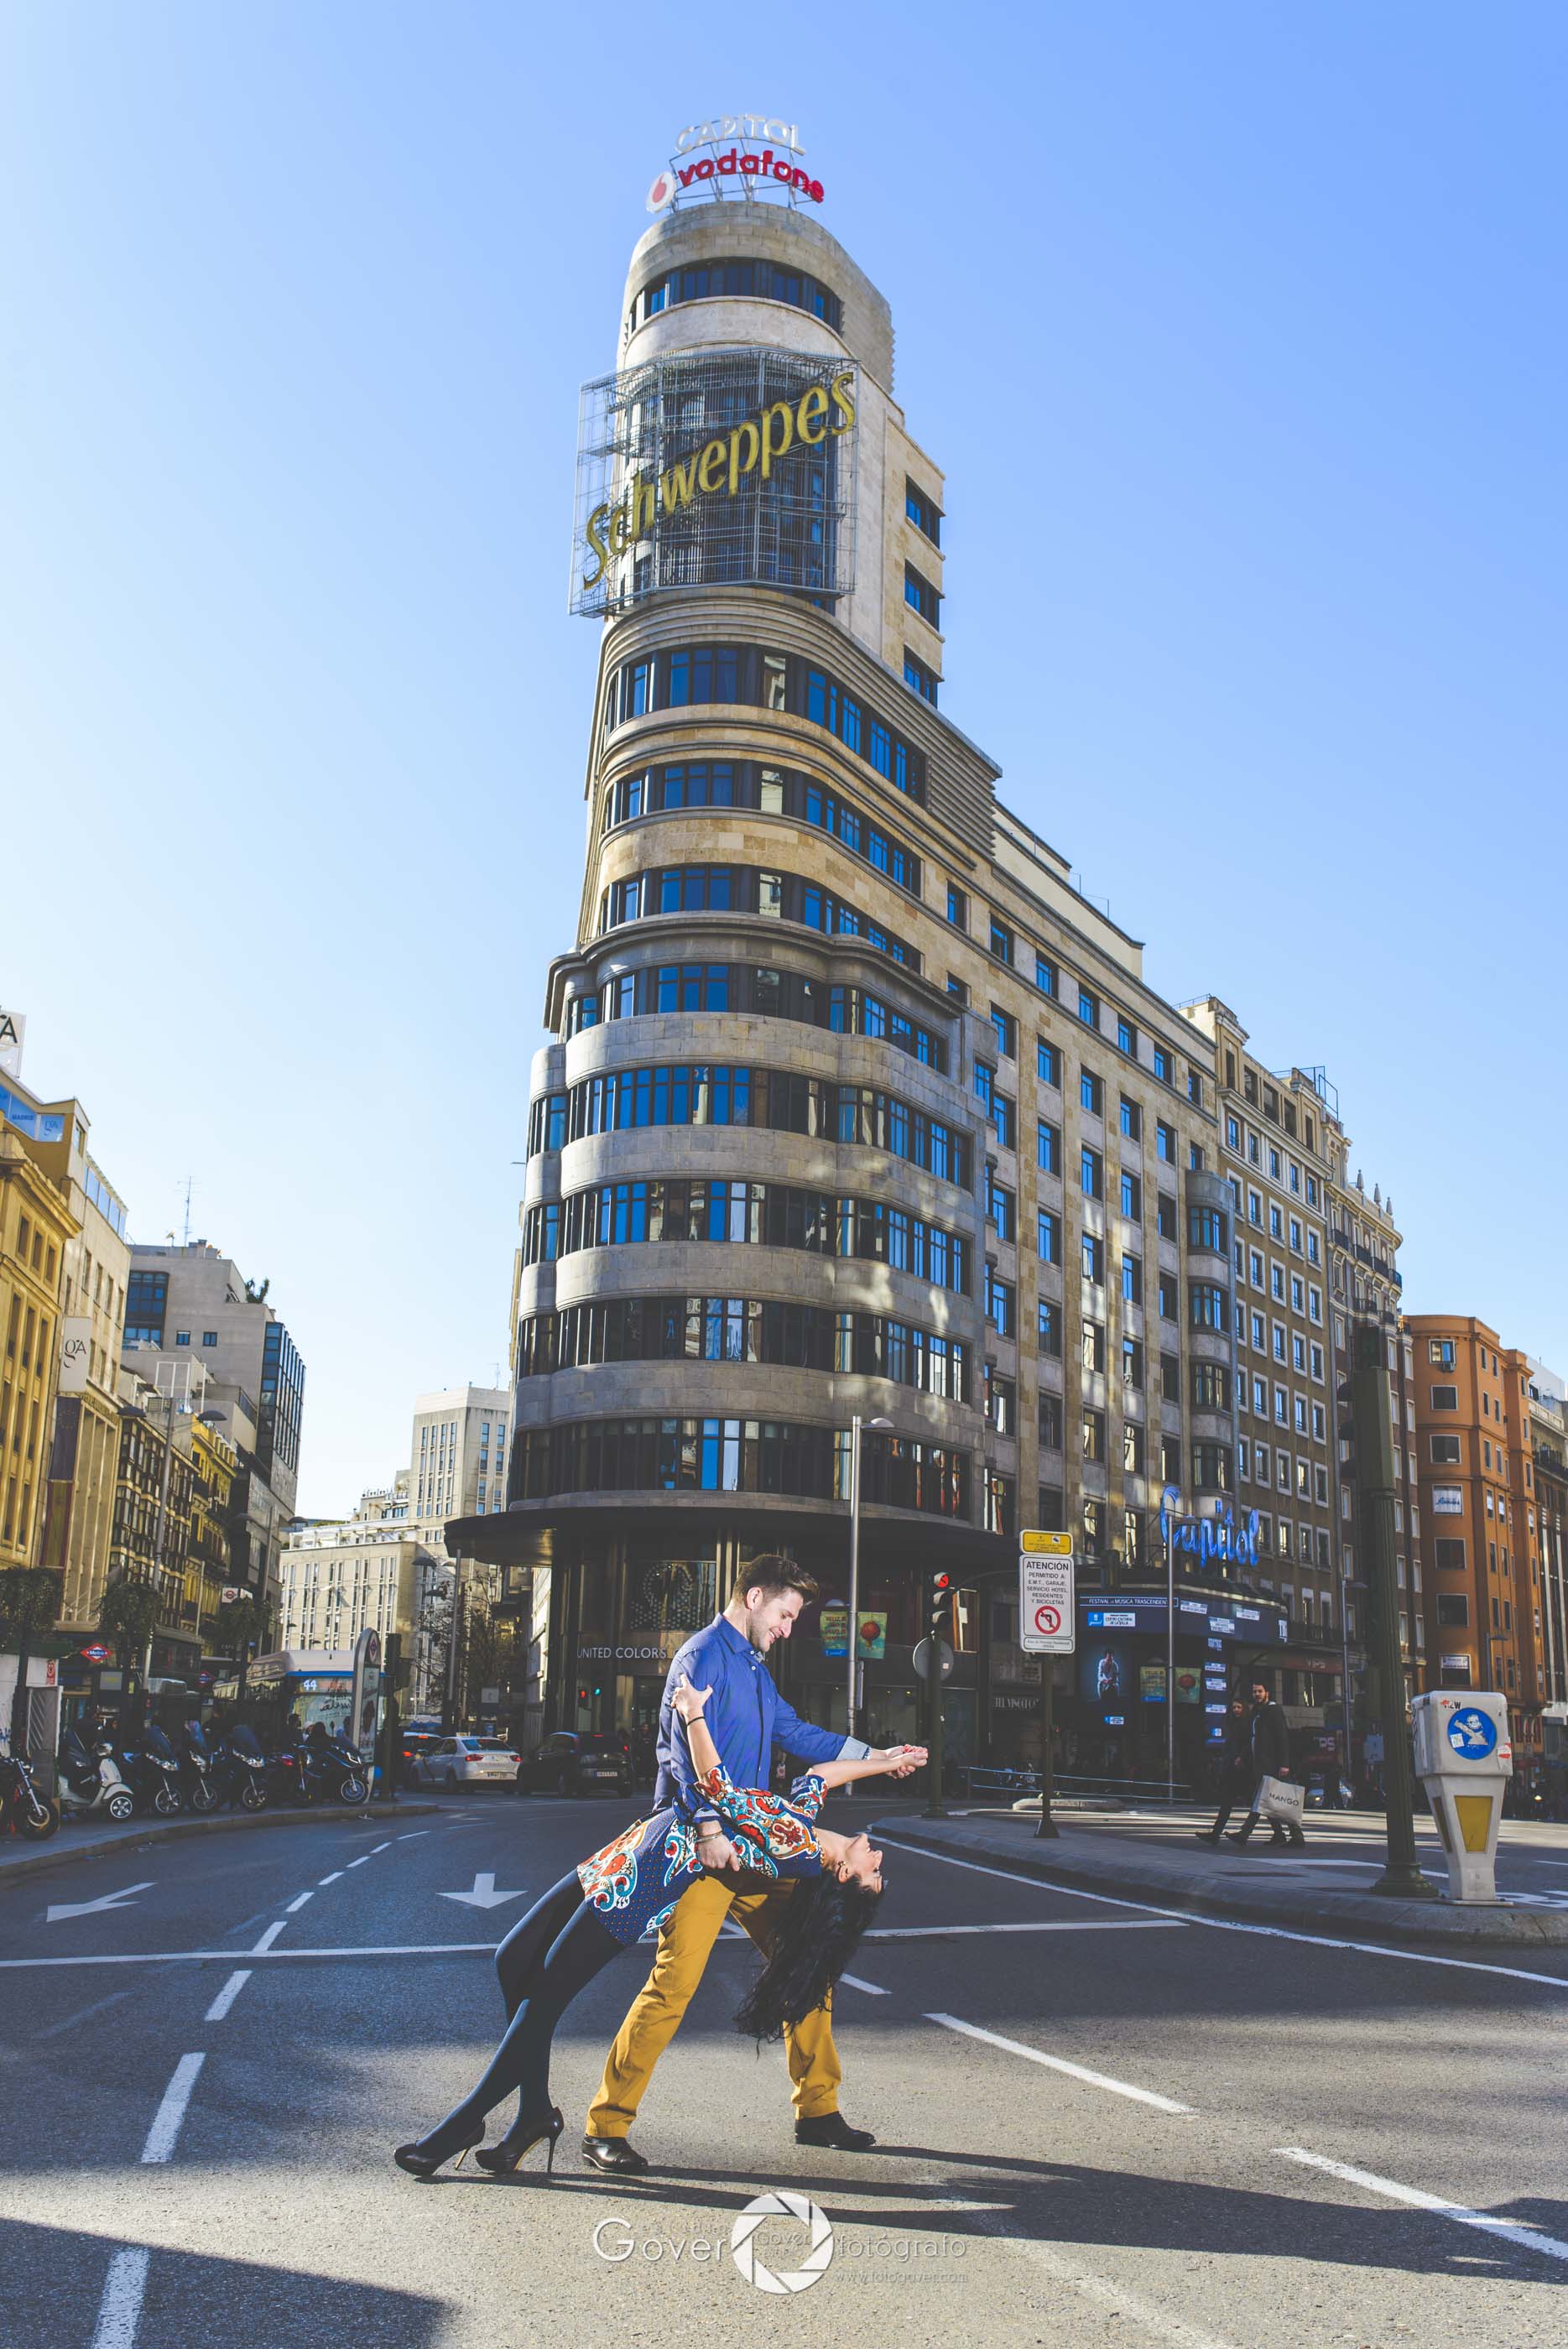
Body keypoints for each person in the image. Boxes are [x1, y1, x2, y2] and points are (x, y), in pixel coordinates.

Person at [393, 1675, 916, 2179]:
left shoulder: (797, 1846)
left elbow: (716, 1788)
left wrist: (693, 1714)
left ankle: (465, 2123)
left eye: (874, 1874)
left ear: (843, 1875)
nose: (880, 1858)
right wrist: (885, 1760)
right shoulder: (803, 1824)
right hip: (632, 1848)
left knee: (549, 1998)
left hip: (644, 1881)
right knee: (512, 1959)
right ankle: (533, 2112)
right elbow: (821, 1774)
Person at [581, 1557, 923, 2175]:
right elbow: (678, 1748)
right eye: (786, 1615)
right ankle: (606, 2125)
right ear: (755, 1596)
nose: (789, 1629)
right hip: (705, 1853)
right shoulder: (703, 1656)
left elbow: (799, 1736)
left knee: (808, 1965)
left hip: (761, 1853)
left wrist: (880, 1754)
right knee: (672, 1988)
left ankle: (818, 2111)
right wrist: (708, 1828)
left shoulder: (755, 1670)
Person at [1226, 1679, 1305, 1849]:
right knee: (1271, 1801)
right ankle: (1287, 1835)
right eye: (1254, 1692)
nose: (1256, 1694)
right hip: (1260, 1764)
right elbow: (1254, 1738)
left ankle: (1244, 1834)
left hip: (1272, 1764)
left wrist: (1284, 1764)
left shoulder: (1274, 1710)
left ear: (1267, 1693)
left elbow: (1282, 1737)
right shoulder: (1257, 1711)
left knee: (1260, 1799)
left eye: (1260, 1691)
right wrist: (1243, 1756)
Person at [1193, 1697, 1252, 1844]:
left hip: (1243, 1771)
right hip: (1233, 1770)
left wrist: (1241, 1757)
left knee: (1259, 1804)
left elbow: (1249, 1744)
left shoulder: (1247, 1724)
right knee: (1228, 1803)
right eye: (1234, 1707)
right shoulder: (1233, 1724)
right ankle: (1215, 1834)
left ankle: (1283, 1832)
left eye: (1239, 1707)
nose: (1236, 1710)